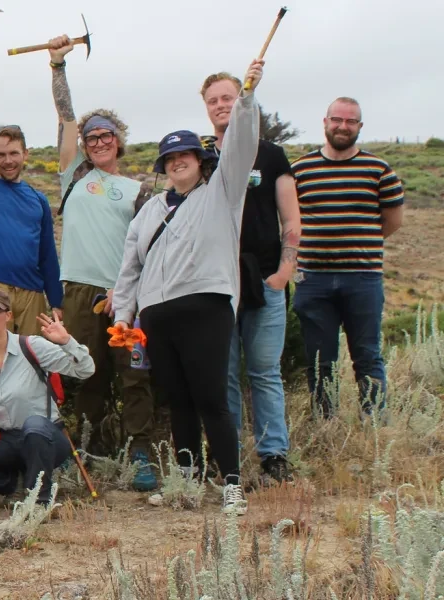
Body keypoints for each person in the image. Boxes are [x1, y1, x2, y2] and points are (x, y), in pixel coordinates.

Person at [113, 60, 265, 516]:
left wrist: (247, 100)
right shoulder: (148, 212)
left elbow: (240, 146)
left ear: (201, 161)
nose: (178, 162)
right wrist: (124, 315)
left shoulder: (223, 191)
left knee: (211, 398)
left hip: (207, 307)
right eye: (170, 158)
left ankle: (232, 485)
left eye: (186, 156)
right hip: (158, 314)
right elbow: (129, 268)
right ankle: (188, 483)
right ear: (163, 166)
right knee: (178, 402)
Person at [45, 36, 157, 488]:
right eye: (91, 138)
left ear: (119, 140)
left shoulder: (138, 191)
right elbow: (66, 117)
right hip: (78, 291)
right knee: (85, 373)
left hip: (124, 296)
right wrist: (57, 66)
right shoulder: (74, 177)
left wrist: (125, 292)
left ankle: (142, 453)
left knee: (134, 373)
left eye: (106, 135)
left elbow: (148, 250)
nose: (98, 142)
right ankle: (91, 446)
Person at [201, 71, 300, 483]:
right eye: (214, 100)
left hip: (263, 279)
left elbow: (290, 218)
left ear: (241, 102)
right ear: (205, 107)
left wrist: (283, 273)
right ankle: (229, 458)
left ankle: (274, 455)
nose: (222, 105)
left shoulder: (271, 154)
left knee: (264, 371)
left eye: (229, 97)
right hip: (219, 283)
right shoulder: (202, 158)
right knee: (222, 373)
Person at [291, 97, 405, 417]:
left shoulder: (379, 169)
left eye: (350, 121)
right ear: (325, 121)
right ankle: (326, 425)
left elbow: (393, 221)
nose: (343, 126)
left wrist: (360, 244)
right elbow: (289, 218)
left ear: (360, 126)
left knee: (367, 356)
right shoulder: (300, 169)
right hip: (313, 279)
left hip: (363, 278)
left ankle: (374, 427)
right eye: (337, 120)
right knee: (319, 360)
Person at [0, 289, 94, 506]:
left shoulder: (32, 346)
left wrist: (66, 340)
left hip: (46, 436)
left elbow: (86, 370)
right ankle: (11, 483)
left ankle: (38, 502)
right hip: (5, 441)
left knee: (34, 425)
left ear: (8, 316)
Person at [0, 57, 63, 333]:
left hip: (32, 293)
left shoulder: (39, 200)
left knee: (32, 360)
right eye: (0, 155)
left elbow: (47, 255)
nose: (7, 161)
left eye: (13, 153)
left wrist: (55, 300)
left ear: (25, 154)